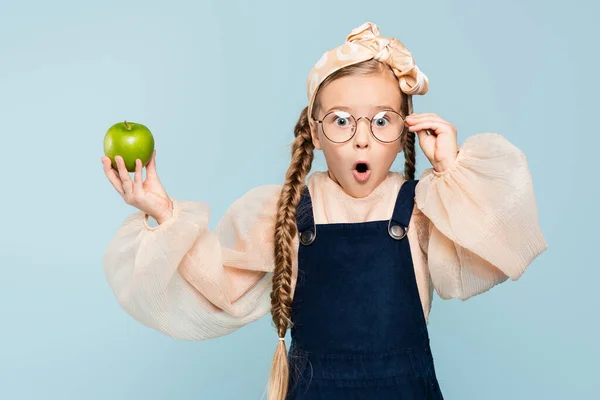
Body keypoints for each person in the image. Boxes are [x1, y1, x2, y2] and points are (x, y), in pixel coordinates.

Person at [101, 21, 548, 400]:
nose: (361, 138)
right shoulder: (287, 212)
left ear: (405, 127)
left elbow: (495, 251)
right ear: (315, 132)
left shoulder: (423, 207)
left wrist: (451, 170)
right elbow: (219, 287)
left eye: (381, 120)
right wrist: (163, 212)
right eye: (340, 120)